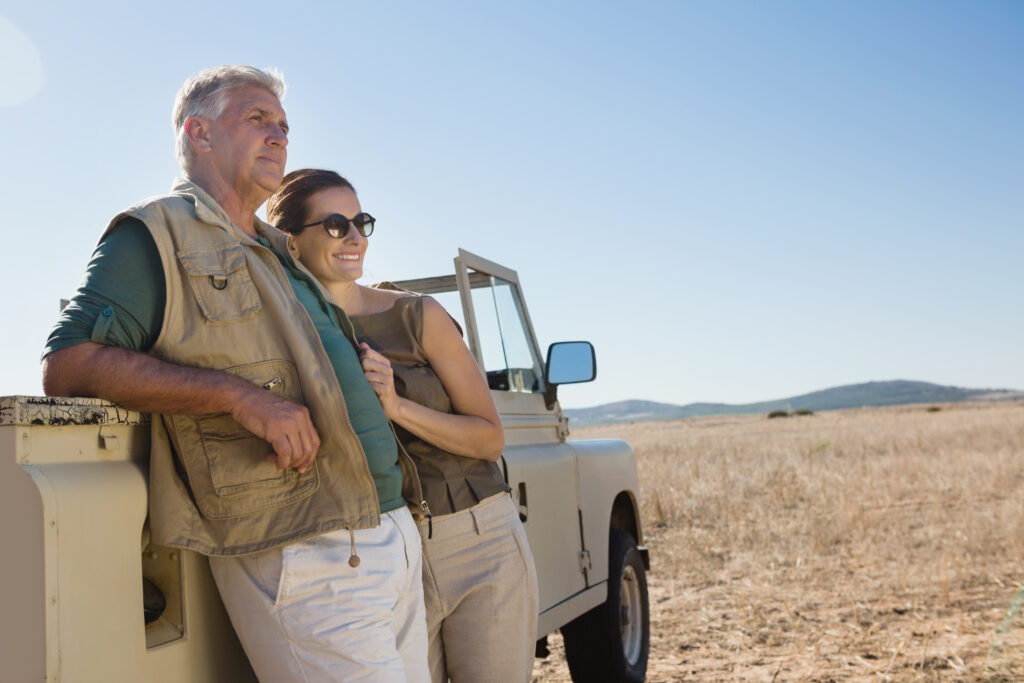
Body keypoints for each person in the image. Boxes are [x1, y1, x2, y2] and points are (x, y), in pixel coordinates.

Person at [41, 65, 430, 683]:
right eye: (257, 120)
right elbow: (69, 365)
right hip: (306, 546)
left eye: (283, 126)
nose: (279, 136)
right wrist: (237, 397)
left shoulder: (281, 249)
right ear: (198, 132)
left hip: (388, 530)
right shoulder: (157, 230)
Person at [266, 169, 540, 683]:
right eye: (333, 224)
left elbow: (488, 436)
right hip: (374, 561)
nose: (354, 237)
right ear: (292, 245)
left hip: (475, 540)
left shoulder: (417, 315)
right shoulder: (282, 339)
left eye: (360, 222)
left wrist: (397, 406)